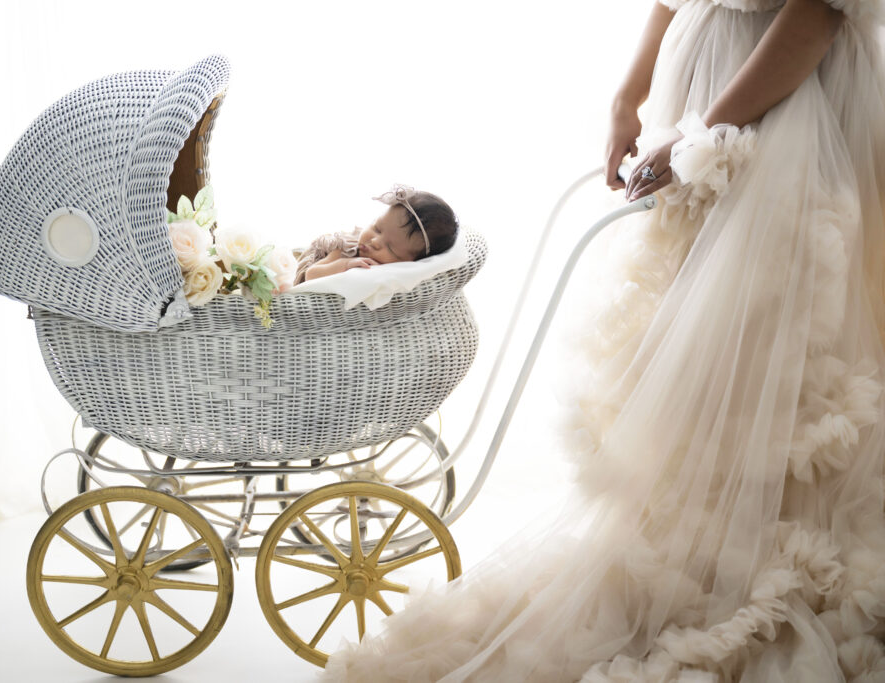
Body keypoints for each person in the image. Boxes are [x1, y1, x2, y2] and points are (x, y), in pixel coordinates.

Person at [324, 0, 885, 680]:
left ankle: (760, 554)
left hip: (784, 115)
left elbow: (818, 17)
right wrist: (630, 96)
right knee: (697, 361)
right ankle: (699, 553)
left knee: (774, 356)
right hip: (705, 113)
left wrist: (703, 134)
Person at [294, 186, 459, 283]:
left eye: (390, 247)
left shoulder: (399, 274)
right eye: (377, 228)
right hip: (306, 271)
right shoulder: (347, 249)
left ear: (412, 261)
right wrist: (345, 264)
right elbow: (311, 275)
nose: (374, 241)